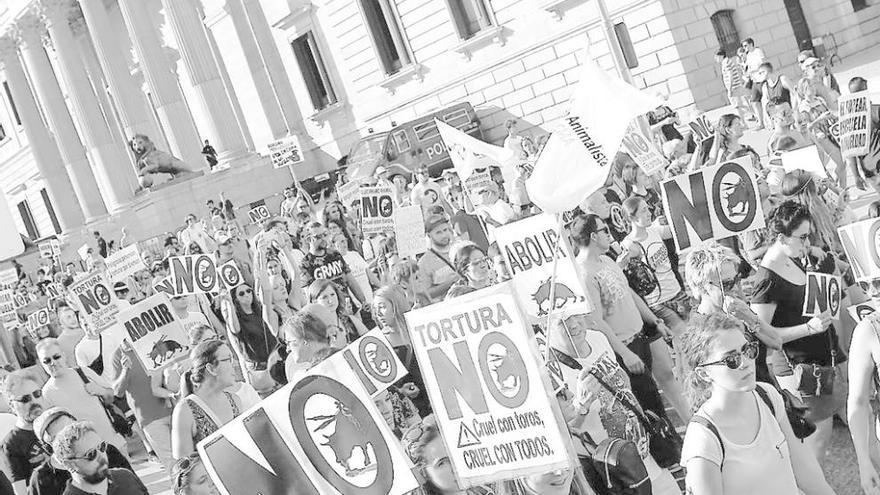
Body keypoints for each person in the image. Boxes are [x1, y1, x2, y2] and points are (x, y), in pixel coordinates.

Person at [679, 312, 835, 495]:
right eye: (731, 359)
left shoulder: (767, 395)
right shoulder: (703, 439)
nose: (746, 362)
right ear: (704, 373)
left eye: (747, 350)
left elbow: (803, 467)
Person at [750, 201, 843, 462]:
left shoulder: (797, 255)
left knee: (858, 415)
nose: (807, 243)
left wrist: (812, 248)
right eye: (803, 237)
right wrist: (808, 327)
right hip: (799, 368)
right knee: (818, 440)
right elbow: (763, 334)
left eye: (809, 236)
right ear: (780, 237)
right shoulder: (767, 278)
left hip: (826, 355)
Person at [569, 214, 677, 427]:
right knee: (648, 409)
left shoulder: (607, 260)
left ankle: (672, 452)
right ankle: (669, 459)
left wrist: (655, 321)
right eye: (605, 230)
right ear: (593, 236)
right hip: (625, 348)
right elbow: (597, 322)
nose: (610, 235)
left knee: (655, 404)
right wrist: (626, 353)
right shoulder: (584, 273)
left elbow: (629, 293)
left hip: (640, 338)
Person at [619, 196, 691, 420]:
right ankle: (690, 391)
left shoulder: (656, 231)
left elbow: (682, 226)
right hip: (656, 303)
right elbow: (623, 274)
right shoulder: (628, 245)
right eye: (643, 210)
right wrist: (624, 261)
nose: (648, 212)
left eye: (648, 208)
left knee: (693, 343)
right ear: (632, 217)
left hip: (677, 294)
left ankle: (690, 385)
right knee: (686, 341)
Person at [685, 243, 782, 384]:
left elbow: (776, 342)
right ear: (703, 287)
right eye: (727, 284)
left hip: (765, 391)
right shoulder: (700, 331)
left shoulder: (738, 309)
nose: (736, 288)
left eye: (737, 279)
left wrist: (749, 317)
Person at [37, 340, 125, 454]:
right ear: (42, 364)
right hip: (87, 455)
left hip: (113, 442)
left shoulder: (83, 372)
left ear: (63, 356)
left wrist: (101, 391)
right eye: (47, 360)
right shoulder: (46, 393)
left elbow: (112, 396)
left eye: (56, 357)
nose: (53, 362)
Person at [29, 408, 133, 495]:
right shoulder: (41, 479)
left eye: (74, 430)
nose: (72, 438)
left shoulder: (105, 450)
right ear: (48, 448)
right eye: (63, 438)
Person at [110, 342, 174, 473]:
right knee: (175, 466)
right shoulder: (118, 355)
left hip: (176, 407)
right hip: (150, 417)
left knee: (194, 457)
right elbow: (117, 392)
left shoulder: (152, 340)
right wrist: (125, 370)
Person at [171, 340, 242, 459]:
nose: (235, 364)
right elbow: (184, 467)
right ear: (211, 368)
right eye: (228, 360)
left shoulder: (235, 400)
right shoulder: (185, 410)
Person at [401, 416, 498, 495]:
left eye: (458, 455)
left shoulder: (491, 490)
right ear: (423, 473)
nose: (457, 467)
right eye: (442, 462)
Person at [53, 421, 148, 495]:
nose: (101, 456)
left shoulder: (125, 476)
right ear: (70, 464)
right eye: (91, 454)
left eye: (102, 447)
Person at [221, 283, 277, 395]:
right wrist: (229, 303)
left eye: (248, 291)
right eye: (241, 294)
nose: (247, 294)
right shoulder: (238, 319)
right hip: (260, 372)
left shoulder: (260, 311)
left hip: (276, 364)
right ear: (236, 299)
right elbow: (234, 328)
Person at [298, 222, 366, 307]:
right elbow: (310, 296)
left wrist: (363, 301)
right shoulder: (305, 264)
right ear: (309, 239)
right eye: (318, 237)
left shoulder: (334, 254)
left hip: (348, 306)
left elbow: (350, 280)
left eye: (324, 235)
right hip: (328, 310)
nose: (323, 239)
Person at [1, 371, 48, 494]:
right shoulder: (11, 443)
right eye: (25, 399)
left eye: (37, 394)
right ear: (12, 405)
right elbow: (20, 491)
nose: (34, 401)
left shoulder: (56, 422)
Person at [307, 279, 368, 348]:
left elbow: (371, 340)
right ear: (314, 302)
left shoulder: (352, 320)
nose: (330, 301)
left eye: (332, 294)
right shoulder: (315, 332)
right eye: (324, 297)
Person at [417, 215, 459, 302]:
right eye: (438, 232)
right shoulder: (424, 263)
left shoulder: (461, 248)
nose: (444, 235)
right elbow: (425, 293)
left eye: (445, 230)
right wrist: (451, 282)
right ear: (429, 235)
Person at [444, 185, 489, 252]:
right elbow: (466, 242)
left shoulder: (476, 210)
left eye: (457, 198)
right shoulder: (457, 218)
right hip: (481, 253)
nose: (456, 202)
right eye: (452, 200)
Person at [715, 48, 749, 120]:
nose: (716, 59)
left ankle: (743, 122)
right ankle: (752, 114)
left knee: (737, 106)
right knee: (740, 105)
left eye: (716, 57)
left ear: (721, 56)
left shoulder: (726, 63)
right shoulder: (726, 62)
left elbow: (730, 75)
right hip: (735, 86)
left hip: (733, 87)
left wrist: (730, 89)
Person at [741, 38, 767, 129]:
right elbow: (747, 67)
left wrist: (753, 70)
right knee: (755, 101)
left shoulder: (758, 51)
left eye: (746, 45)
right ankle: (760, 122)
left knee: (767, 100)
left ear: (751, 44)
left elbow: (762, 64)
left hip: (762, 79)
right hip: (755, 80)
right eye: (743, 46)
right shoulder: (748, 55)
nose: (745, 48)